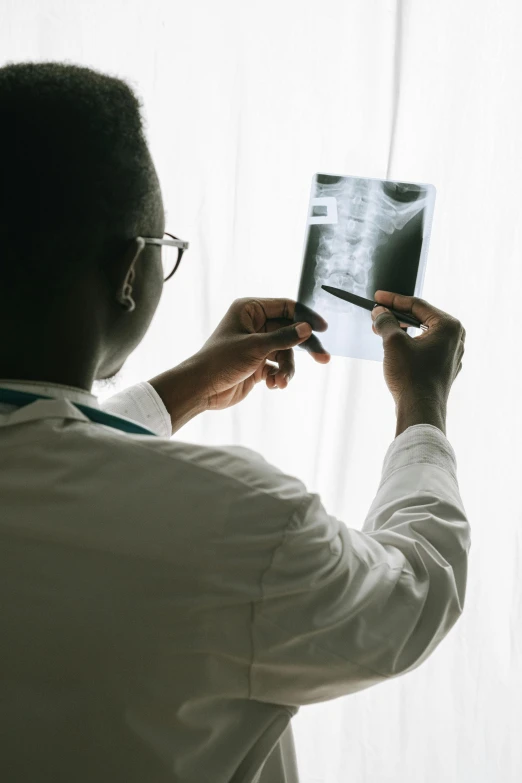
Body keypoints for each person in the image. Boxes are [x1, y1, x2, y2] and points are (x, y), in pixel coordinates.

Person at [0, 61, 469, 783]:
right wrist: (423, 408)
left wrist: (182, 388)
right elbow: (413, 595)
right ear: (129, 271)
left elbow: (44, 453)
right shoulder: (237, 523)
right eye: (165, 250)